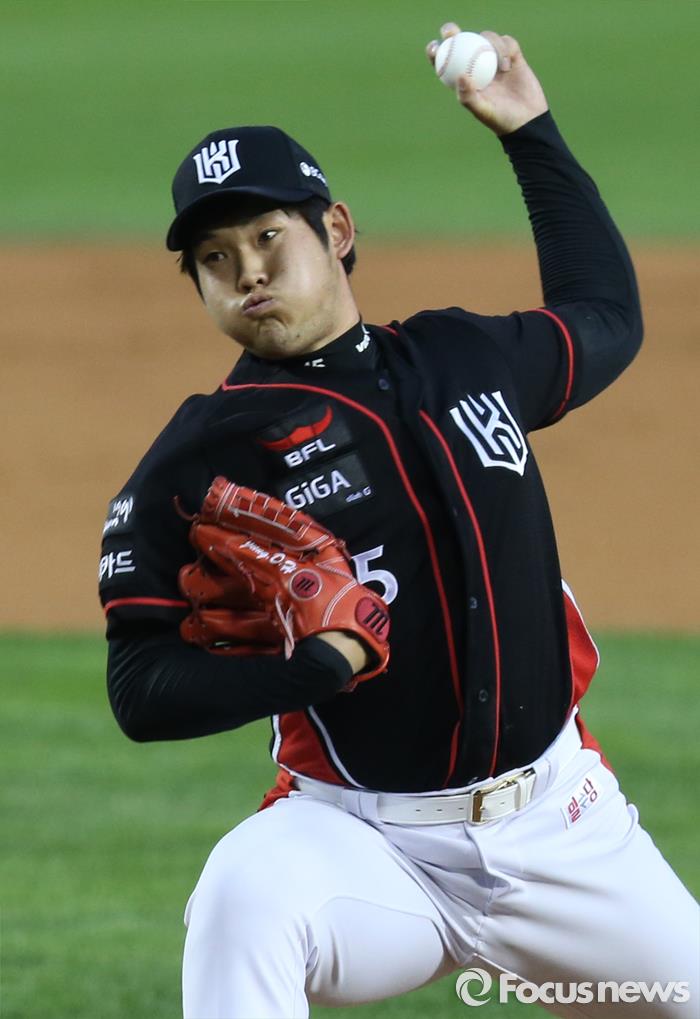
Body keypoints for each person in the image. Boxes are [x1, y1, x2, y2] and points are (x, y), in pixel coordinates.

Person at [98, 24, 699, 1019]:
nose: (247, 271)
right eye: (214, 257)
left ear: (335, 229)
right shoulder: (203, 459)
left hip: (563, 829)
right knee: (242, 896)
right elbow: (140, 688)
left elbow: (605, 315)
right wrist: (309, 669)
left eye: (267, 236)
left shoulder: (464, 356)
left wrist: (530, 132)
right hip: (365, 844)